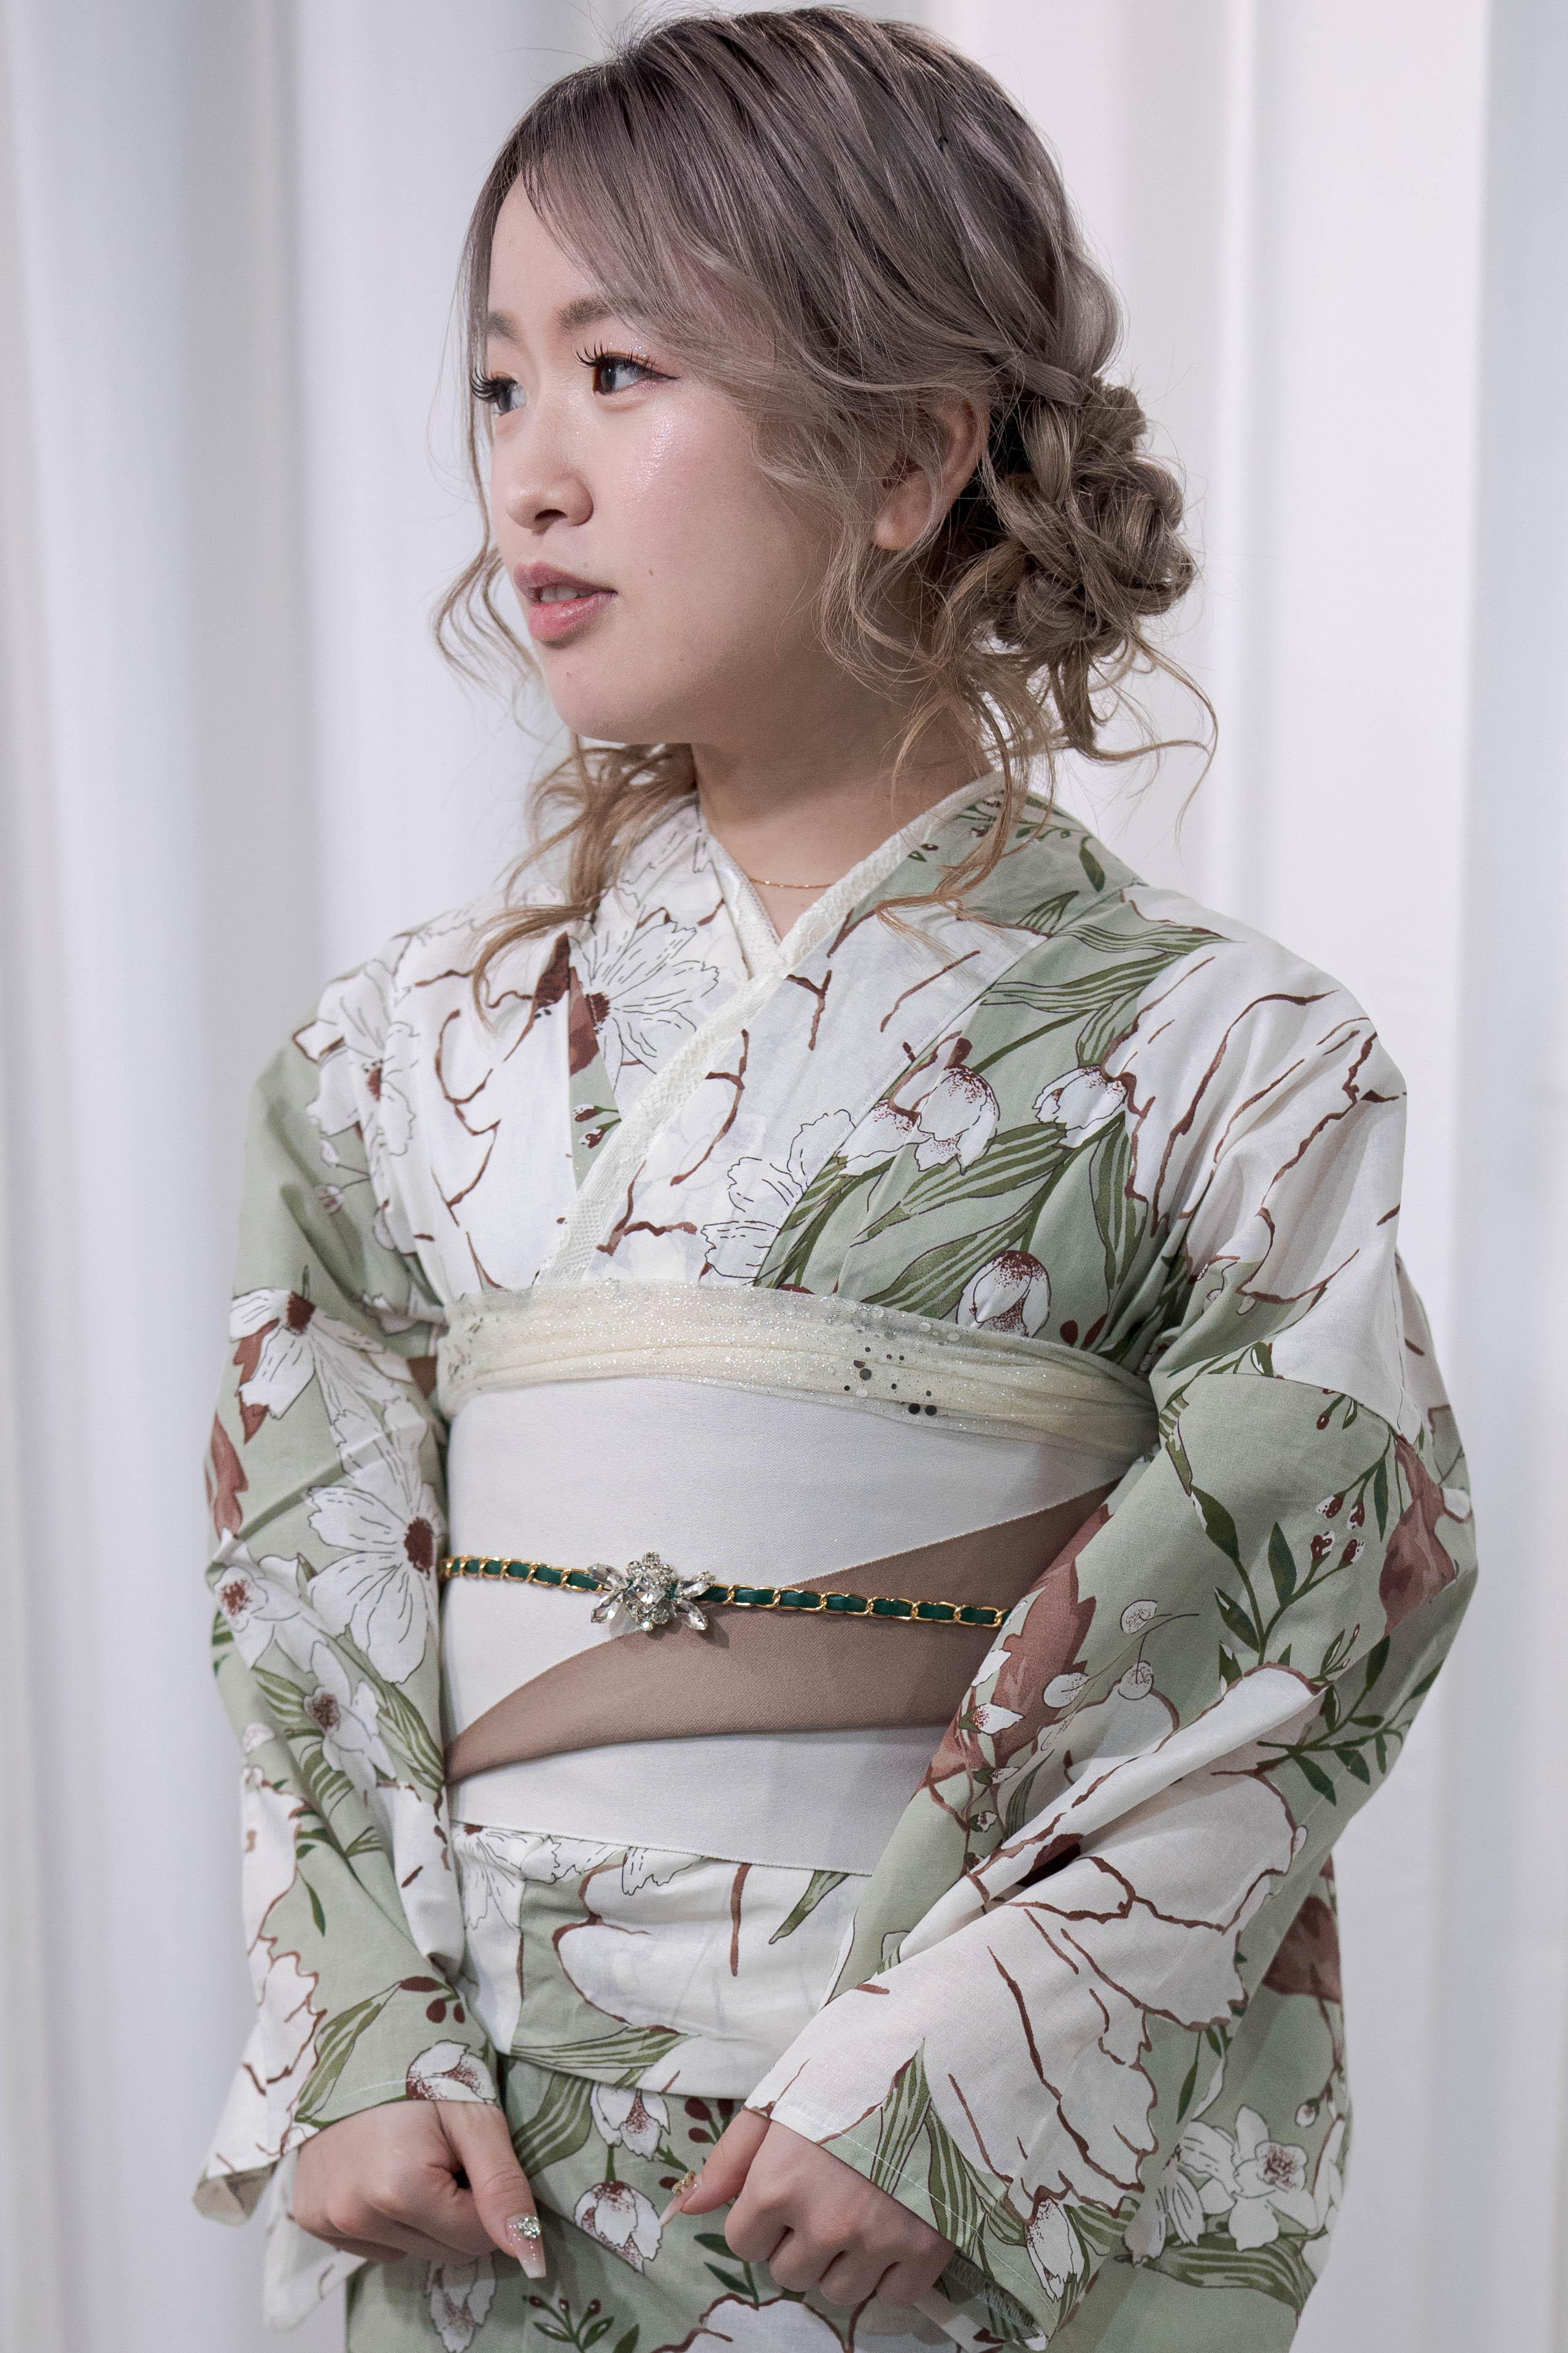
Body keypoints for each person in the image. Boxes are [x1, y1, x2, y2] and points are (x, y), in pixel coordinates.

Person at [193, 12, 1476, 2350]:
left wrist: (952, 2075)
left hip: (915, 2165)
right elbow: (305, 1580)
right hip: (490, 2163)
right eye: (497, 386)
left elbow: (1304, 1616)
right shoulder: (390, 1060)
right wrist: (357, 2026)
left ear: (902, 455)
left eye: (618, 371)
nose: (529, 477)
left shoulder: (1227, 1055)